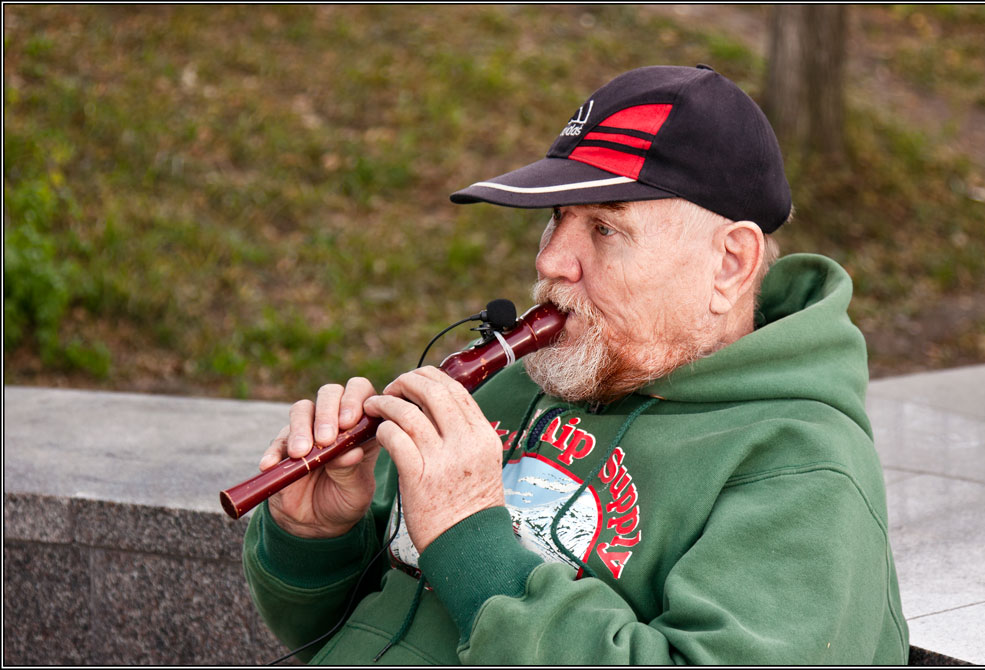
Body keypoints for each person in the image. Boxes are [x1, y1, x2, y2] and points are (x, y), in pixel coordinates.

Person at [242, 65, 909, 665]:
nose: (551, 260)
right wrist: (317, 536)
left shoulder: (801, 467)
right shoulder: (514, 387)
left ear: (728, 264)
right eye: (557, 218)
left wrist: (476, 548)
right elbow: (343, 628)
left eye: (603, 227)